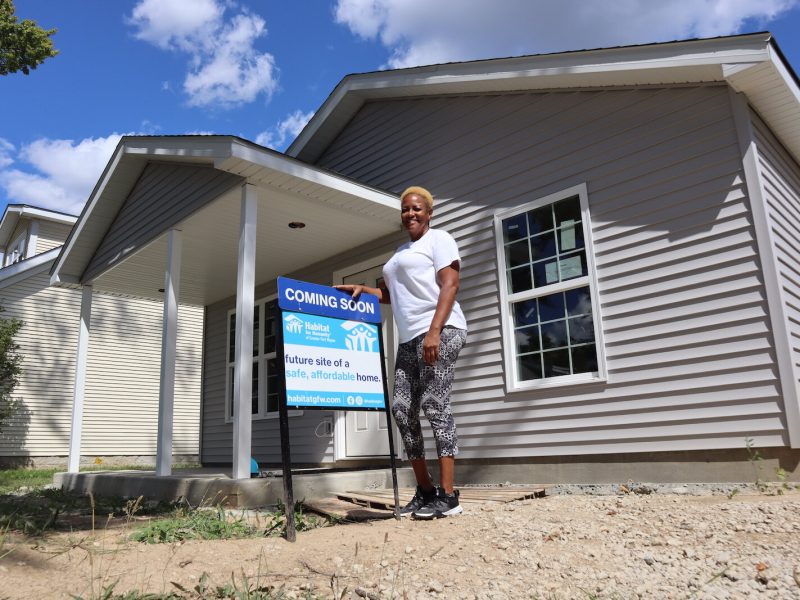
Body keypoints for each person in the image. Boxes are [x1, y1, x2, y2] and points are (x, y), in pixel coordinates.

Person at [336, 186, 468, 519]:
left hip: (442, 330)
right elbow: (392, 294)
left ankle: (449, 495)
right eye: (405, 209)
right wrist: (363, 290)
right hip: (410, 339)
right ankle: (425, 492)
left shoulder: (439, 239)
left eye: (417, 208)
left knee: (435, 404)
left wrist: (435, 331)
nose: (410, 214)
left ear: (429, 212)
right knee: (401, 409)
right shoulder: (399, 251)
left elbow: (450, 284)